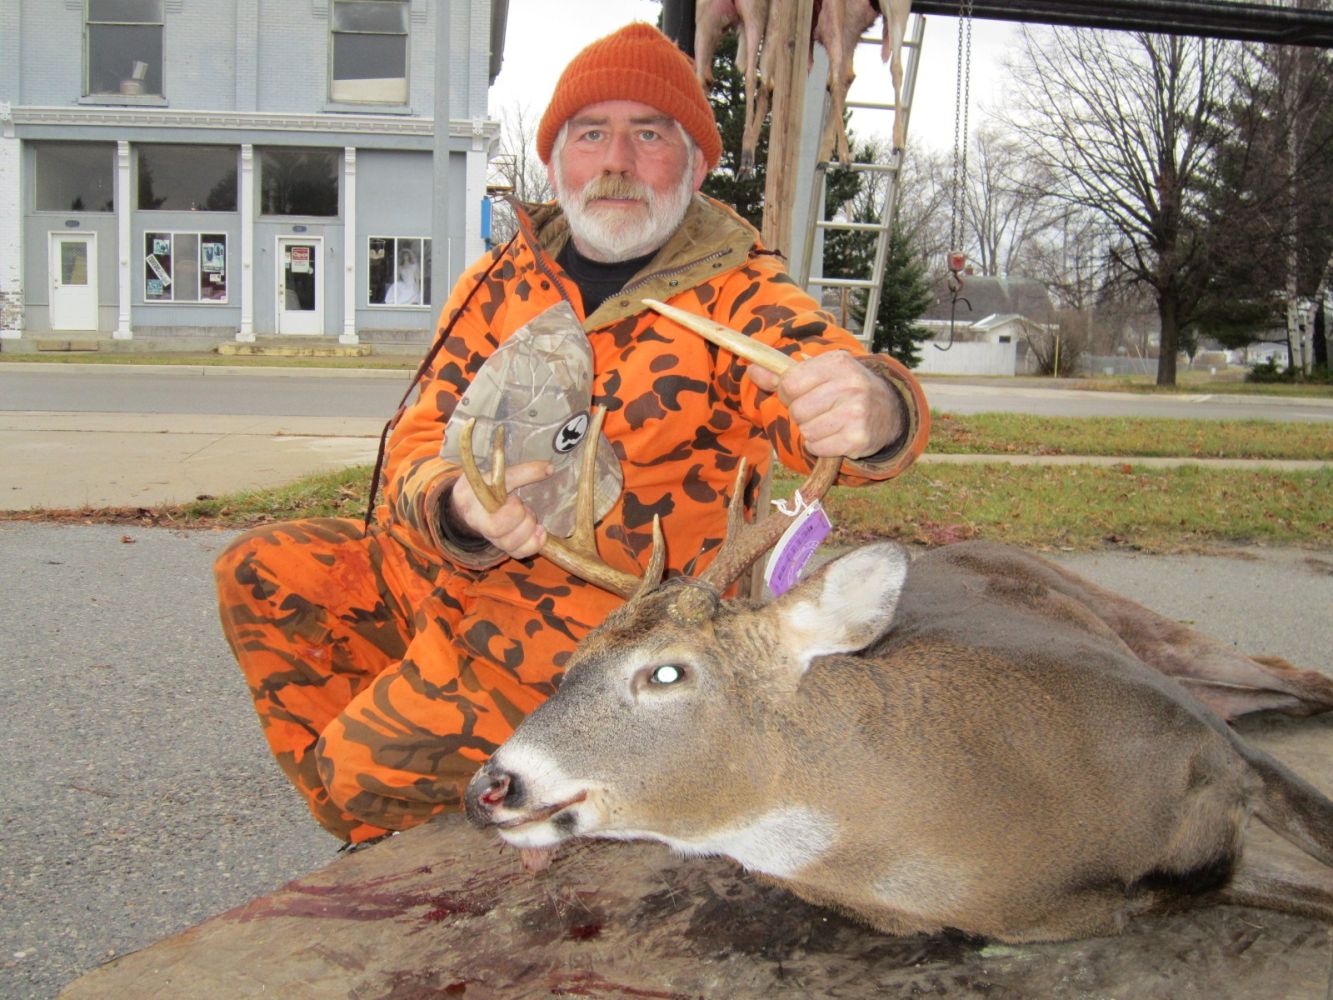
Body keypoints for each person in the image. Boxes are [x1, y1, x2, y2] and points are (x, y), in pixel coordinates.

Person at [213, 22, 931, 846]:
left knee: (356, 777)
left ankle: (477, 832)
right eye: (591, 134)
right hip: (444, 572)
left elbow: (827, 384)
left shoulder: (742, 296)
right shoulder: (498, 280)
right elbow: (420, 435)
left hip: (595, 634)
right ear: (555, 162)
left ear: (694, 163)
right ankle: (450, 833)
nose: (616, 160)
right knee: (264, 571)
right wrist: (454, 505)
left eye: (649, 134)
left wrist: (875, 409)